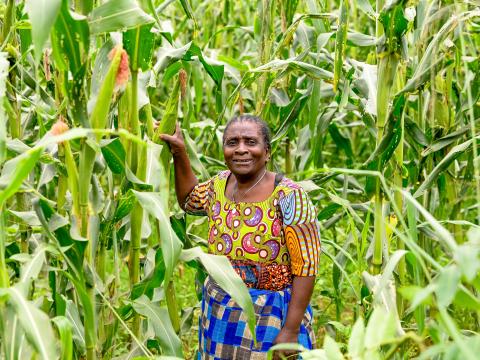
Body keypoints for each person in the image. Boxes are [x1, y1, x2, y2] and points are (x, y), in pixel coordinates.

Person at [160, 114, 321, 359]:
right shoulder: (218, 185)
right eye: (232, 142)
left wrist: (290, 329)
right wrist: (180, 152)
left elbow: (306, 267)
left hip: (270, 313)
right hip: (221, 308)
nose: (241, 149)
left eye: (251, 142)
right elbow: (190, 200)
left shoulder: (290, 196)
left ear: (267, 152)